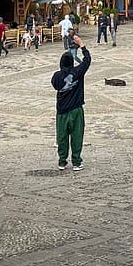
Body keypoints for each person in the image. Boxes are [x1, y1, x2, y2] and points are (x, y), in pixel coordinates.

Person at [52, 34, 91, 171]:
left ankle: (62, 161)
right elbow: (87, 61)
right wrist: (82, 45)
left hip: (62, 111)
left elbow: (55, 86)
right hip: (76, 109)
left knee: (62, 136)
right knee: (77, 135)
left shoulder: (57, 76)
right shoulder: (78, 72)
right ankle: (76, 161)